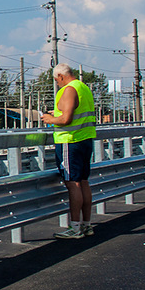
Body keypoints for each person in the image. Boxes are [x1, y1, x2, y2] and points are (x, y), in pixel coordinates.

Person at [40, 63, 96, 239]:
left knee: (72, 183)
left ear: (61, 76)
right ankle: (86, 225)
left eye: (57, 80)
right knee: (83, 181)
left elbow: (66, 119)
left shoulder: (69, 89)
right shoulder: (83, 88)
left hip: (70, 141)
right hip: (85, 139)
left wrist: (50, 119)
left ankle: (75, 227)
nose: (57, 83)